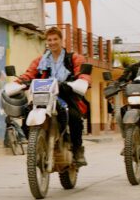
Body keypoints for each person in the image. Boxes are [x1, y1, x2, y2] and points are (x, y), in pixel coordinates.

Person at [16, 26, 91, 165]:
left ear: (61, 40)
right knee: (27, 111)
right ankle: (35, 143)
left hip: (66, 93)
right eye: (49, 40)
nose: (52, 42)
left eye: (55, 39)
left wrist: (81, 81)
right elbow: (29, 74)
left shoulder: (73, 58)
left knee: (74, 117)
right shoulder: (40, 60)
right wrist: (18, 83)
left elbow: (83, 73)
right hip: (43, 94)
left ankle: (77, 150)